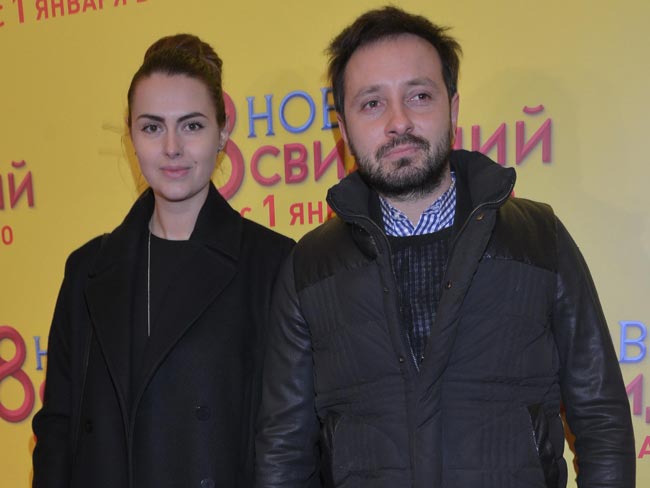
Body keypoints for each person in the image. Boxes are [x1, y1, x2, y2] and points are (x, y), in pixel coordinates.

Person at [255, 6, 635, 488]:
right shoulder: (310, 267)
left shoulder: (539, 239)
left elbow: (601, 418)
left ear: (453, 107)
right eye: (371, 103)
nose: (398, 122)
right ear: (342, 127)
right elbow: (284, 452)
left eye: (419, 95)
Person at [32, 34, 293, 488]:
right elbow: (57, 429)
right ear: (131, 137)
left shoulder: (273, 265)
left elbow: (290, 439)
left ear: (222, 132)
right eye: (152, 127)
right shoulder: (87, 270)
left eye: (191, 126)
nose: (171, 147)